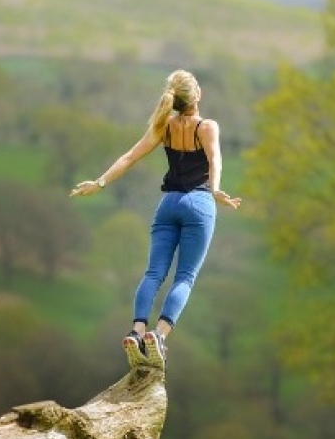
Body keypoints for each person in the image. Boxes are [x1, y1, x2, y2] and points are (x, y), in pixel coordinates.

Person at [70, 69, 242, 369]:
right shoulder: (207, 127)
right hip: (198, 204)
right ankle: (158, 336)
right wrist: (214, 191)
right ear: (197, 95)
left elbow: (129, 157)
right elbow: (215, 159)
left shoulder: (164, 126)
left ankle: (136, 331)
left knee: (153, 274)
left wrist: (98, 184)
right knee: (185, 276)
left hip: (168, 205)